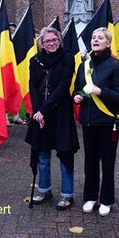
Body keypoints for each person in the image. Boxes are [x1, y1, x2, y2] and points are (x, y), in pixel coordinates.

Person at [73, 27, 119, 217]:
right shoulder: (84, 65)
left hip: (107, 122)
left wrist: (99, 91)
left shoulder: (116, 66)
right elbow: (78, 89)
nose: (95, 40)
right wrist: (77, 97)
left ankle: (106, 200)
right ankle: (90, 197)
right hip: (88, 122)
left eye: (100, 38)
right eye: (94, 37)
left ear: (108, 42)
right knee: (90, 162)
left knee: (107, 163)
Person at [26, 27, 79, 210]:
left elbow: (64, 86)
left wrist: (44, 110)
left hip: (60, 113)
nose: (51, 43)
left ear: (59, 40)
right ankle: (44, 190)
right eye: (47, 41)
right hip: (40, 113)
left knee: (64, 154)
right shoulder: (35, 60)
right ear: (42, 43)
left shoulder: (67, 58)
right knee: (42, 154)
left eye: (54, 40)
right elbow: (32, 85)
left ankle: (67, 194)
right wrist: (37, 111)